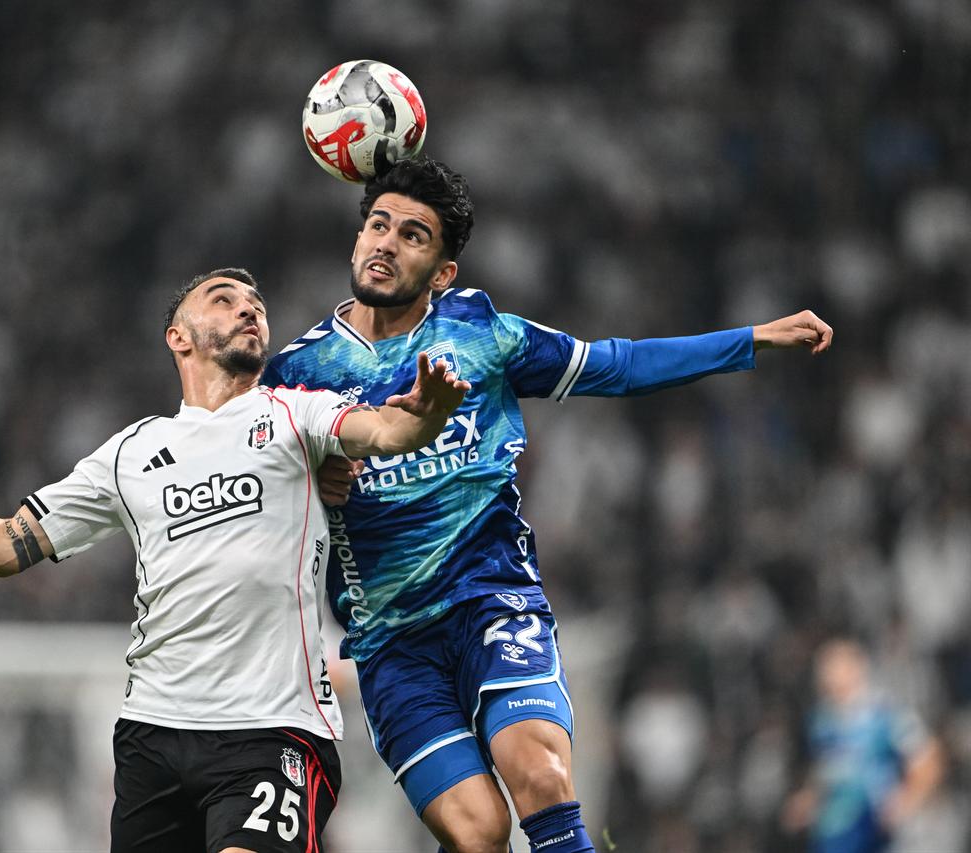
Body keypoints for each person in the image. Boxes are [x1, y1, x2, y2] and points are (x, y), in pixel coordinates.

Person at [261, 157, 834, 853]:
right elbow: (256, 494)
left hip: (492, 601)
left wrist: (750, 339)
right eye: (378, 225)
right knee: (477, 831)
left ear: (443, 271)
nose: (385, 242)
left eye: (413, 235)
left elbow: (616, 365)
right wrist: (308, 488)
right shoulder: (295, 373)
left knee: (540, 771)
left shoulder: (482, 335)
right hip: (392, 643)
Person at [0, 268, 470, 853]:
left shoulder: (296, 415)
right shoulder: (131, 453)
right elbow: (6, 543)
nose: (250, 309)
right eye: (224, 298)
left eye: (256, 302)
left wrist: (425, 419)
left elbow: (386, 428)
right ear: (178, 337)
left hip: (271, 733)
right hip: (155, 734)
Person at [781, 638, 944, 853]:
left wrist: (907, 799)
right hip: (831, 835)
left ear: (857, 667)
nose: (827, 675)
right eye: (824, 668)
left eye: (834, 666)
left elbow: (927, 758)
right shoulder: (819, 721)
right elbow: (827, 774)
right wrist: (807, 801)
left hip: (874, 833)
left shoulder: (886, 714)